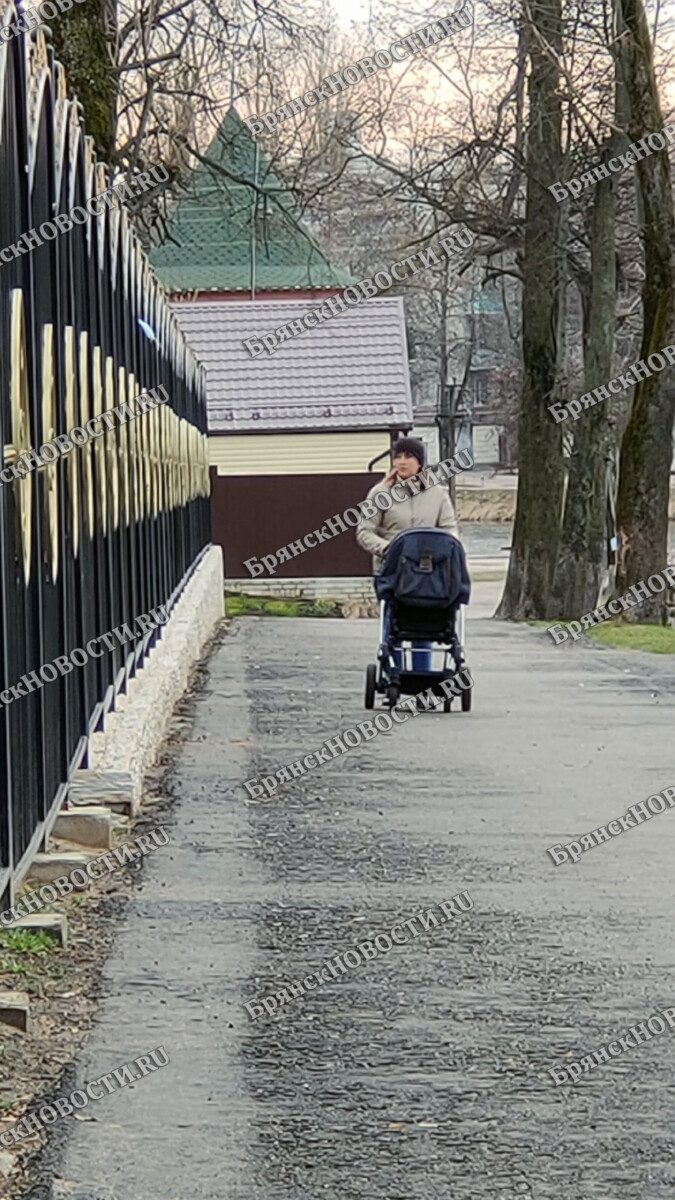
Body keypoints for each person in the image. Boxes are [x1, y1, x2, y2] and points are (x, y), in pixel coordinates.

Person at [356, 436, 461, 671]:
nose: (402, 462)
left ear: (420, 463)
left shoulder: (437, 494)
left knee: (423, 622)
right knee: (393, 624)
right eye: (398, 456)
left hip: (427, 571)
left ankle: (421, 675)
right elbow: (364, 532)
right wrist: (388, 549)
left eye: (409, 457)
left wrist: (446, 549)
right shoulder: (380, 493)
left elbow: (449, 529)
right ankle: (394, 672)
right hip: (392, 569)